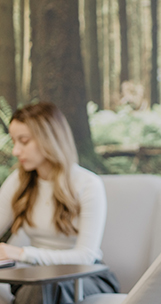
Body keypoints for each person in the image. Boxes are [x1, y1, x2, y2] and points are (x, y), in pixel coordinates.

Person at [1, 102, 119, 303]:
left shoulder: (88, 184)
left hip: (84, 275)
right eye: (14, 142)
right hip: (35, 275)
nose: (16, 151)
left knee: (44, 288)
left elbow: (85, 256)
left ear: (49, 139)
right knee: (39, 286)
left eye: (24, 141)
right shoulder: (18, 181)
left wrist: (21, 253)